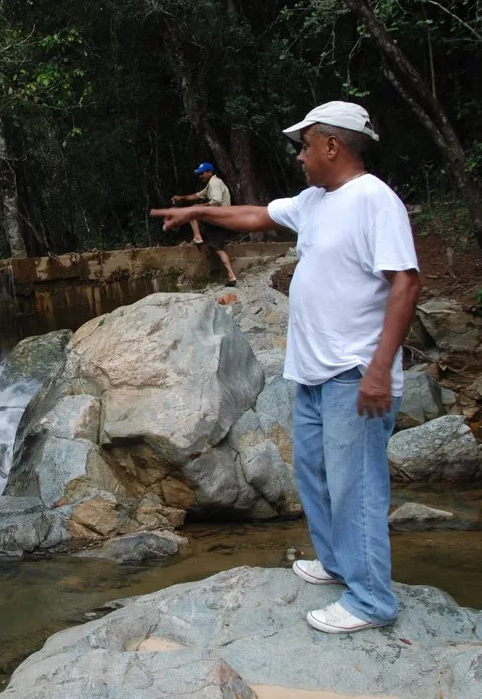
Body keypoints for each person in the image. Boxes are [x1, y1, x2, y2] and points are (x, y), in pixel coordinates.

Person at [150, 101, 421, 635]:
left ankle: (371, 601)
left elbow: (406, 283)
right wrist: (199, 213)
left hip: (353, 374)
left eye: (303, 145)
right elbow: (255, 215)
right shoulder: (317, 201)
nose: (298, 156)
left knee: (356, 487)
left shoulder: (374, 201)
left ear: (331, 145)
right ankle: (339, 564)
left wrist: (378, 370)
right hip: (314, 376)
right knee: (315, 476)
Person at [170, 162, 239, 286]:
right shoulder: (211, 184)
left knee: (192, 212)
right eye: (199, 174)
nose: (200, 176)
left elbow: (216, 201)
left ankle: (197, 237)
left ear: (209, 172)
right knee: (216, 247)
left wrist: (200, 206)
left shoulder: (214, 183)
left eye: (202, 173)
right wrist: (181, 198)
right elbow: (197, 195)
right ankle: (231, 277)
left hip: (220, 217)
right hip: (221, 219)